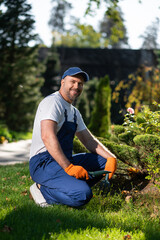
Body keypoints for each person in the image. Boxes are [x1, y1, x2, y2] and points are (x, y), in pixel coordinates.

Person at [29, 67, 117, 207]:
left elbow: (89, 140)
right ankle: (42, 189)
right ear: (63, 82)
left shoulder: (74, 112)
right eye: (73, 81)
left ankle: (67, 184)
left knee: (103, 162)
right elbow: (47, 136)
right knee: (82, 195)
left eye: (80, 84)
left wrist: (111, 157)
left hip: (64, 160)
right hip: (43, 163)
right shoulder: (52, 102)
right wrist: (69, 167)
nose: (76, 86)